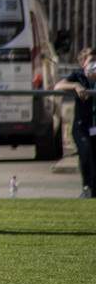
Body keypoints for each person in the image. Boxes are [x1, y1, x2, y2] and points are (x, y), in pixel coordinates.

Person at [54, 47, 96, 198]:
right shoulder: (78, 76)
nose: (94, 64)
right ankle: (86, 187)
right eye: (91, 61)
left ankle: (93, 190)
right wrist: (76, 86)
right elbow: (58, 86)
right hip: (82, 125)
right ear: (83, 63)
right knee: (85, 152)